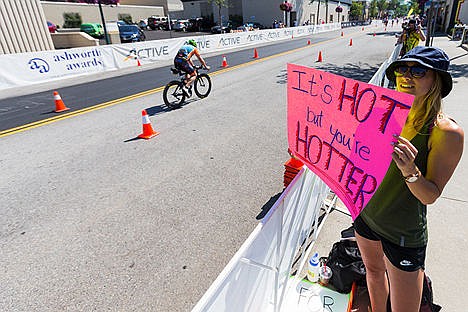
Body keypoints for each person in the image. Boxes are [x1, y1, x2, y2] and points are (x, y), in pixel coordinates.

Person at [354, 46, 464, 311]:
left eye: (418, 70)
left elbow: (431, 195)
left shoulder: (446, 132)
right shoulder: (382, 112)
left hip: (403, 231)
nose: (406, 76)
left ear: (436, 79)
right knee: (373, 272)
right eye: (402, 69)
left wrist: (410, 171)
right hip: (365, 214)